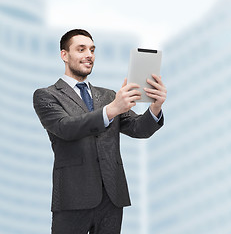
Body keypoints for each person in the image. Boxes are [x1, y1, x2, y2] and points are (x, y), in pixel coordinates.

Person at [33, 29, 167, 234]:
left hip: (112, 198)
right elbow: (65, 127)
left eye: (92, 50)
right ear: (64, 55)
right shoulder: (46, 95)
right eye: (81, 49)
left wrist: (155, 107)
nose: (89, 55)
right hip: (73, 198)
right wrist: (113, 109)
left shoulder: (109, 96)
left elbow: (138, 129)